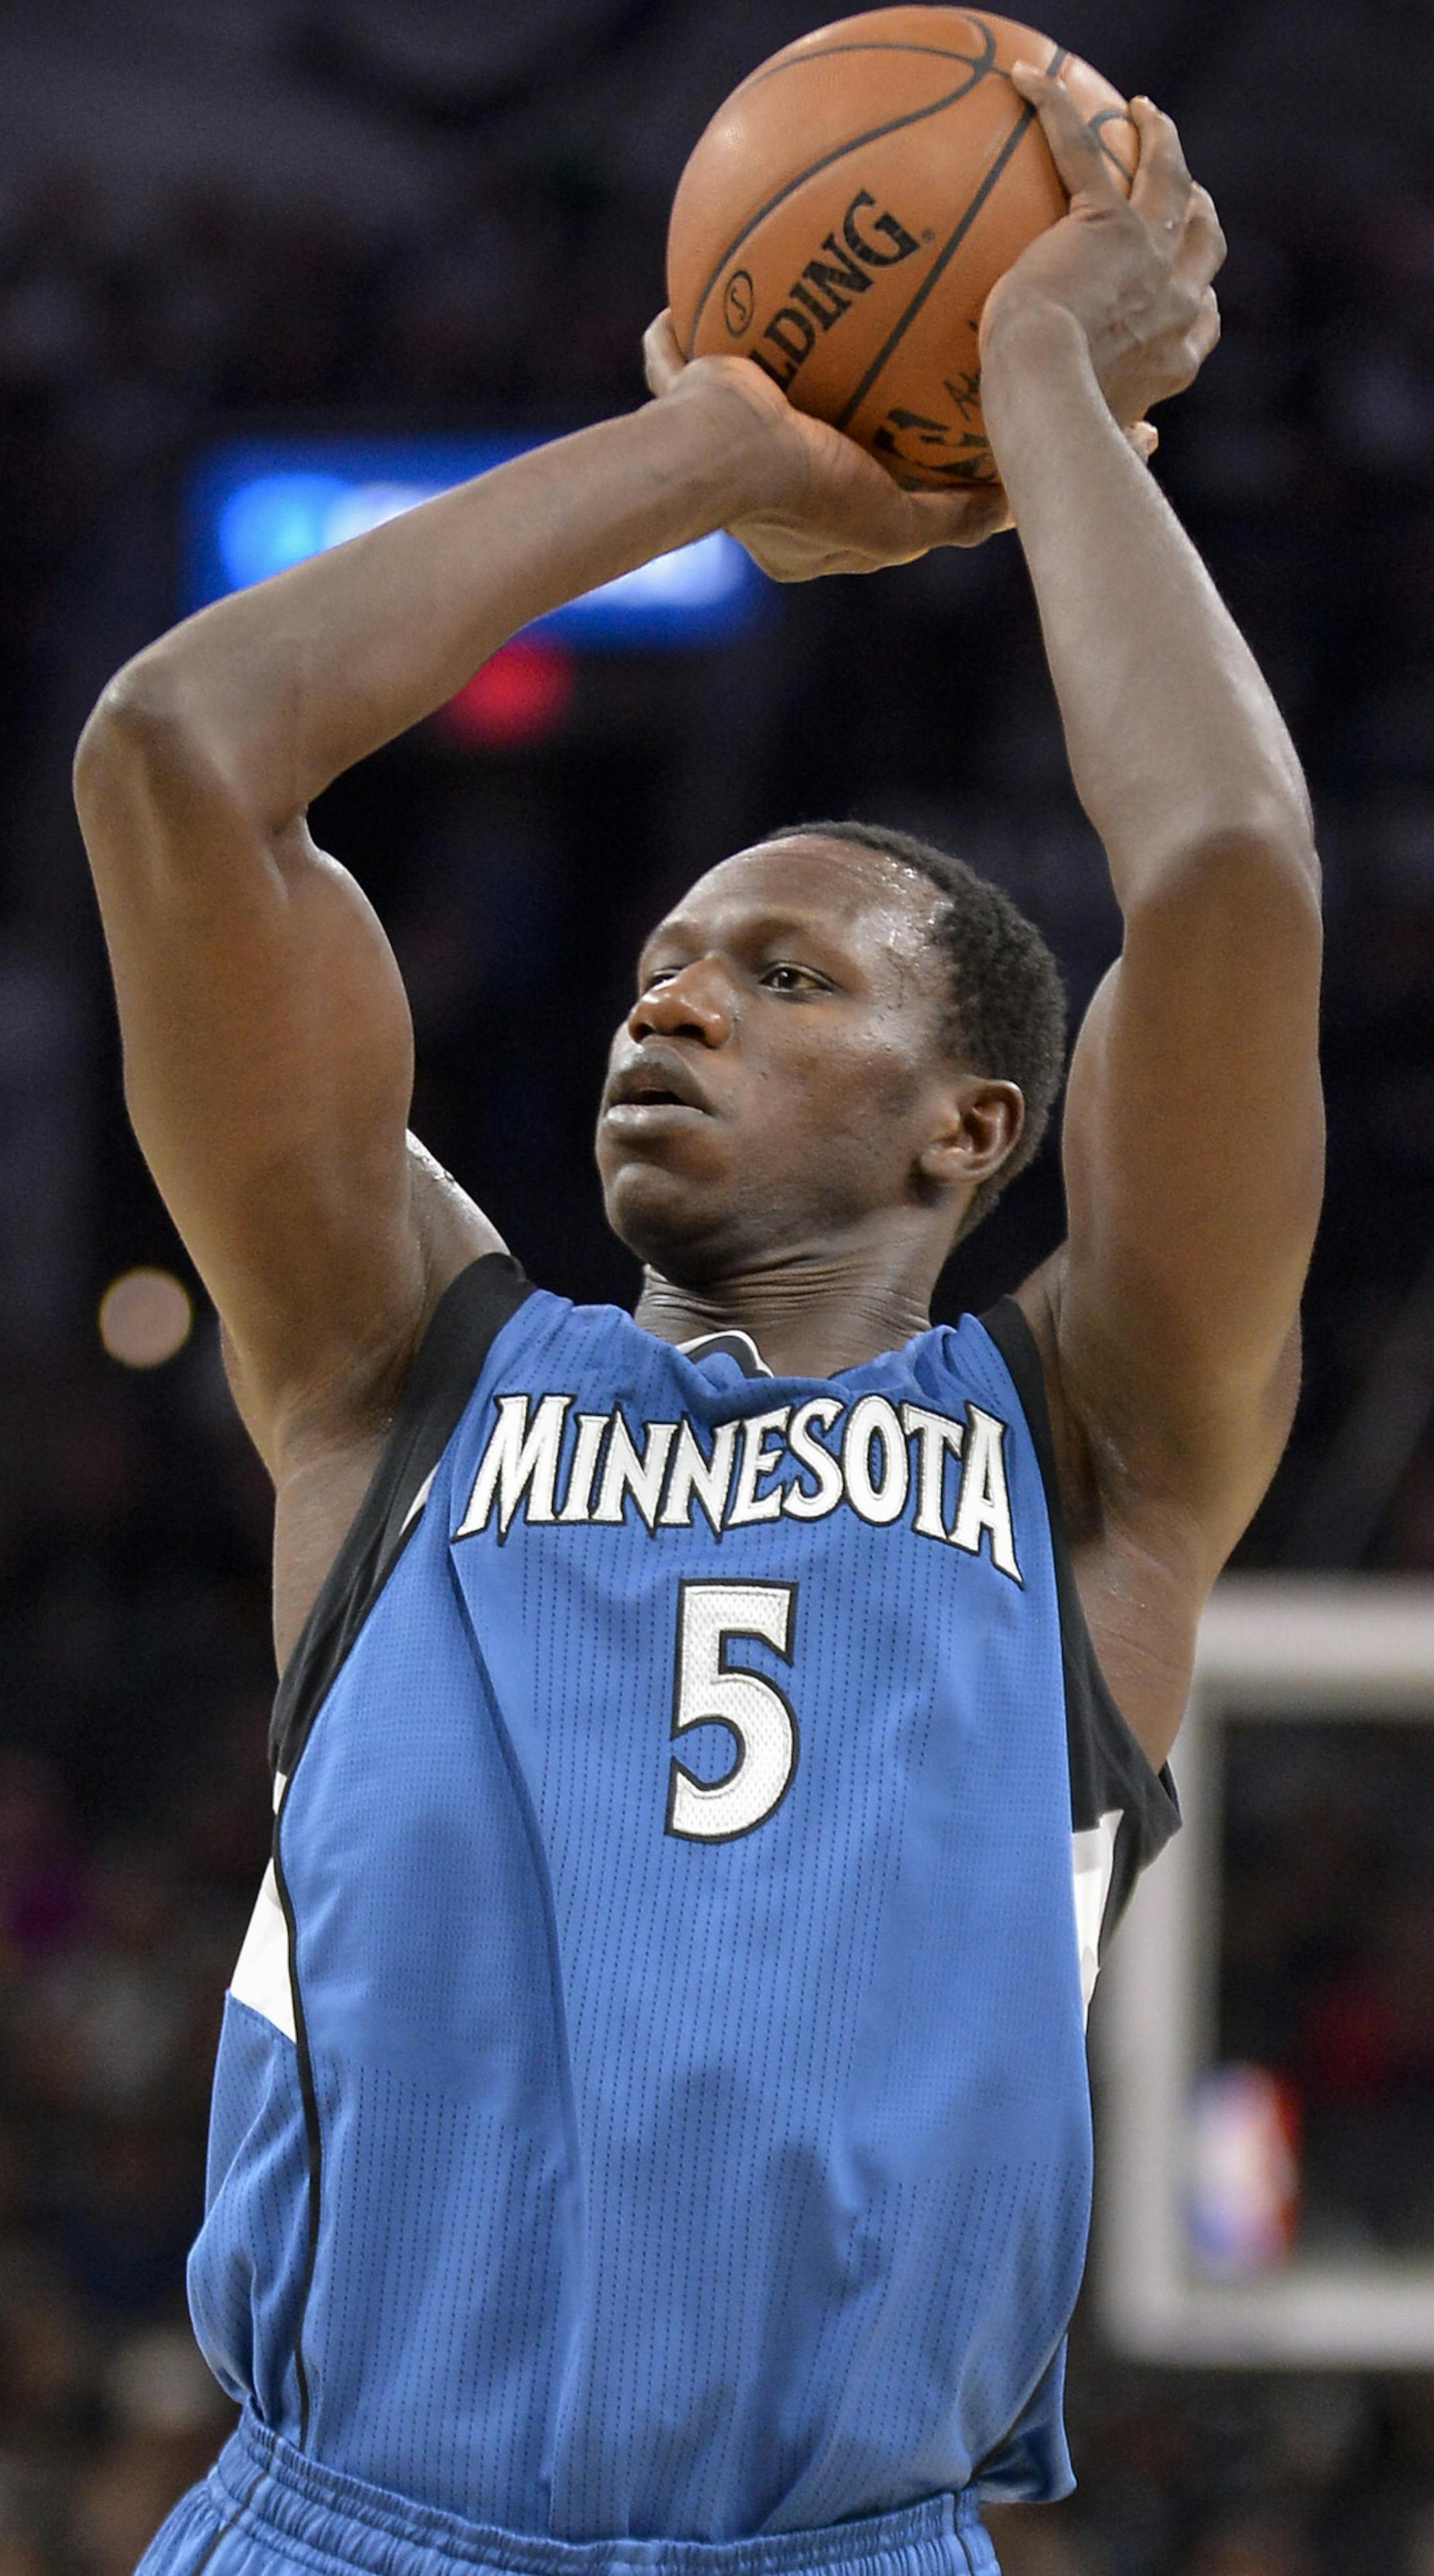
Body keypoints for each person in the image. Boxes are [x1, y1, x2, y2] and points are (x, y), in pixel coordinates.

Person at [73, 68, 1321, 2576]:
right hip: (345, 2527)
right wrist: (711, 453)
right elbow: (181, 759)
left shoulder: (1091, 1451)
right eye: (662, 964)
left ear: (978, 1123)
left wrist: (1046, 385)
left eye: (784, 973)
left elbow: (1224, 874)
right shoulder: (396, 1367)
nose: (673, 1001)